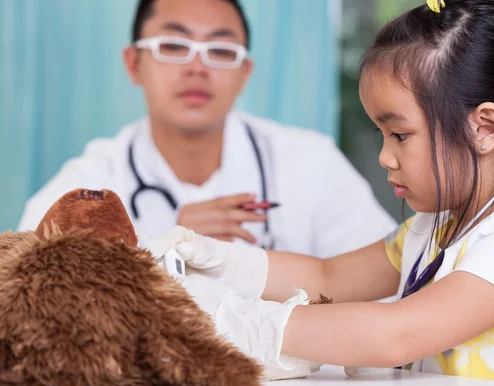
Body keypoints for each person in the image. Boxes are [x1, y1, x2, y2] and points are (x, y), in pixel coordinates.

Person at [154, 0, 494, 386]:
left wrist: (240, 325)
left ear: (484, 128)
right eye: (382, 134)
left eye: (400, 134)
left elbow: (394, 334)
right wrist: (219, 261)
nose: (385, 156)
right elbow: (327, 277)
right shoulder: (434, 228)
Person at [17, 0, 396, 258]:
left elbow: (389, 278)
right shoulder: (91, 181)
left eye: (220, 51)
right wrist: (163, 247)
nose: (197, 68)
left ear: (244, 73)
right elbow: (28, 286)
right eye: (173, 45)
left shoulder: (309, 164)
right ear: (134, 64)